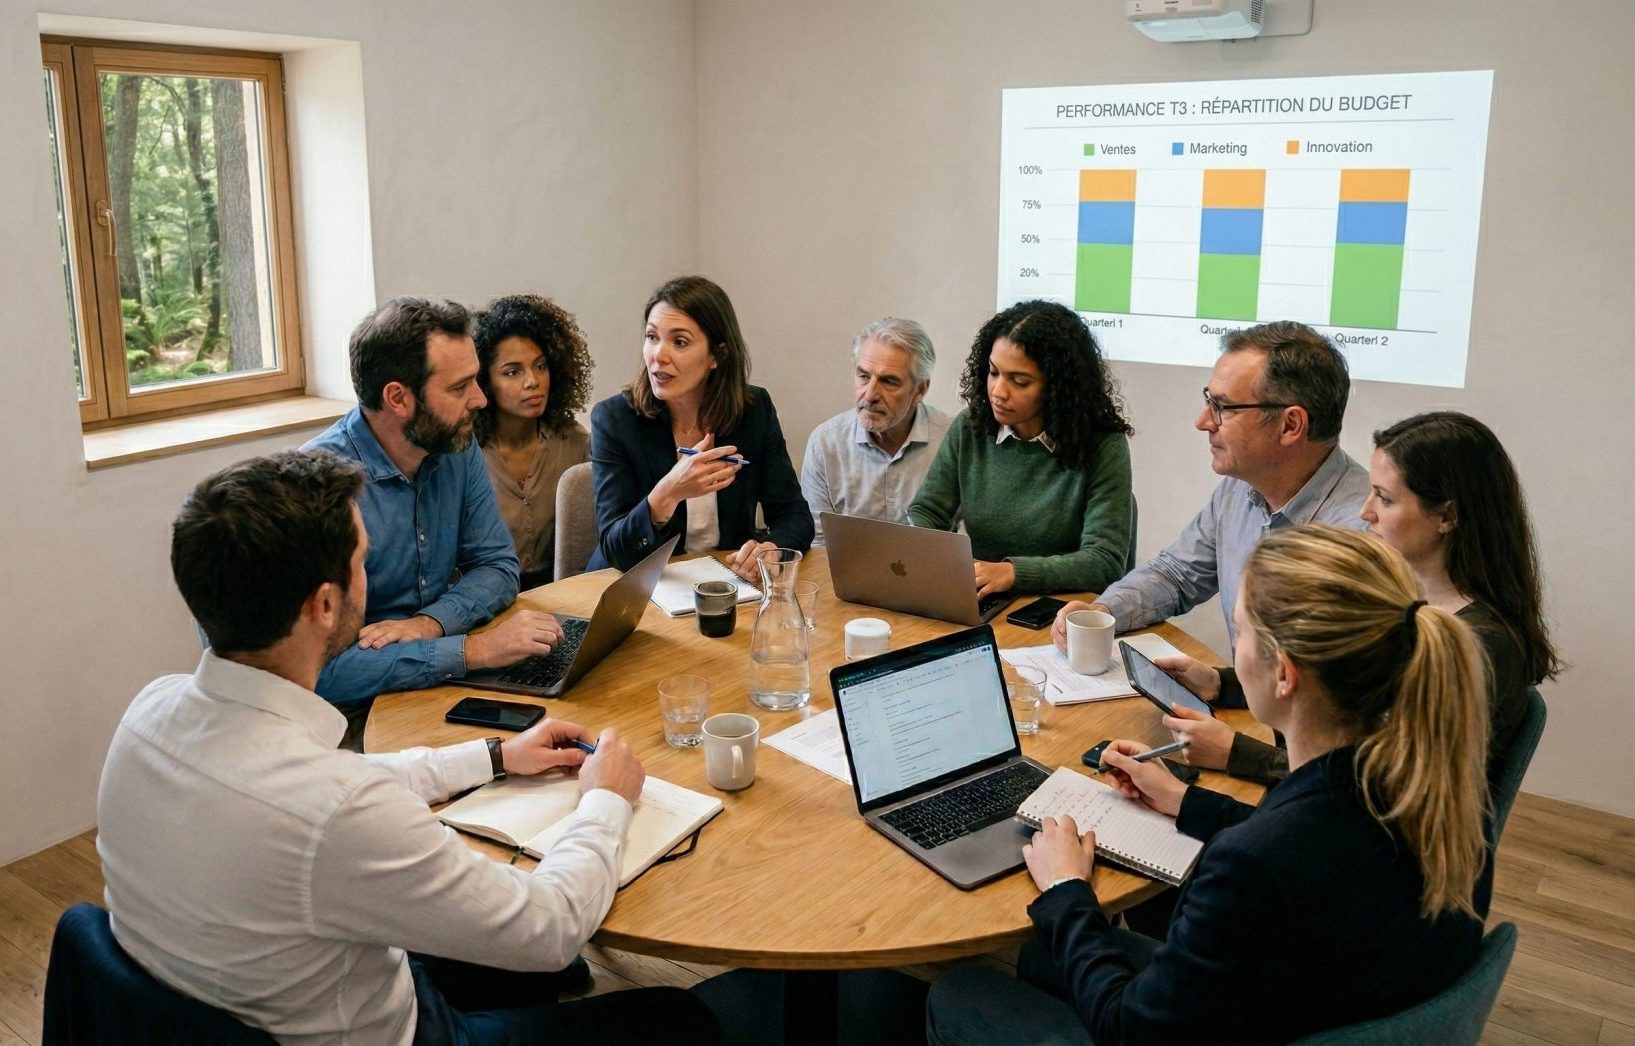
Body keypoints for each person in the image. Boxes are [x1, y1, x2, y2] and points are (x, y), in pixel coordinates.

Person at [97, 450, 717, 1043]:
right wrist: (604, 801)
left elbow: (321, 791)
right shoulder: (338, 810)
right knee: (678, 1017)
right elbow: (551, 927)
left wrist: (493, 758)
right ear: (325, 605)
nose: (369, 576)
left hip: (240, 999)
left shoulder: (150, 713)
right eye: (362, 562)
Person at [926, 525, 1491, 1045]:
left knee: (963, 991)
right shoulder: (1438, 788)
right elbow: (1311, 846)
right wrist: (1181, 799)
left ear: (1285, 672)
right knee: (1047, 956)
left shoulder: (1254, 867)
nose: (1232, 651)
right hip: (1324, 1001)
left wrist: (1067, 889)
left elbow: (1130, 1030)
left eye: (1240, 633)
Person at [1158, 411, 1563, 789]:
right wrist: (1219, 684)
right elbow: (1330, 692)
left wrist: (1235, 753)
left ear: (1447, 517)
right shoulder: (1407, 599)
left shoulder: (1476, 648)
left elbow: (1375, 786)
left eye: (1385, 499)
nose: (1365, 512)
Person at [305, 298, 567, 748]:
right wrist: (473, 650)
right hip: (345, 721)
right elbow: (317, 671)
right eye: (460, 387)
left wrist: (431, 624)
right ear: (398, 398)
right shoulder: (317, 491)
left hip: (444, 686)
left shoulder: (455, 448)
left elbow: (498, 566)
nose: (480, 400)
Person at [1051, 320, 1369, 646]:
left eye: (1222, 407)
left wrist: (1222, 684)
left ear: (1290, 425)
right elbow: (1175, 574)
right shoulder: (1240, 489)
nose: (1202, 421)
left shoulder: (1364, 536)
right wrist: (1102, 612)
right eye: (1208, 400)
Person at [587, 275, 813, 580]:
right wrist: (667, 493)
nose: (658, 355)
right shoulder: (615, 419)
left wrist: (772, 547)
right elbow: (615, 549)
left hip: (723, 584)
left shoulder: (753, 410)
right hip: (633, 586)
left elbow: (793, 515)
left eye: (679, 342)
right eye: (652, 337)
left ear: (716, 355)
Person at [906, 299, 1132, 596]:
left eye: (1020, 381)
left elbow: (1104, 561)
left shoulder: (1103, 444)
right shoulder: (971, 426)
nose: (998, 392)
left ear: (1058, 388)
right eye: (993, 372)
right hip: (981, 596)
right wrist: (918, 550)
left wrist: (1013, 573)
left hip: (1059, 610)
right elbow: (927, 511)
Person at [473, 293, 594, 589]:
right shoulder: (465, 453)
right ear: (484, 381)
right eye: (513, 372)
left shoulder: (576, 444)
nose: (532, 381)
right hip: (484, 598)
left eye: (540, 366)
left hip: (558, 593)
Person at [800, 317, 950, 543]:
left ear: (920, 389)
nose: (870, 395)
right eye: (863, 376)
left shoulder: (950, 440)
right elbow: (819, 545)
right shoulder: (825, 444)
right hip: (844, 577)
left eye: (889, 382)